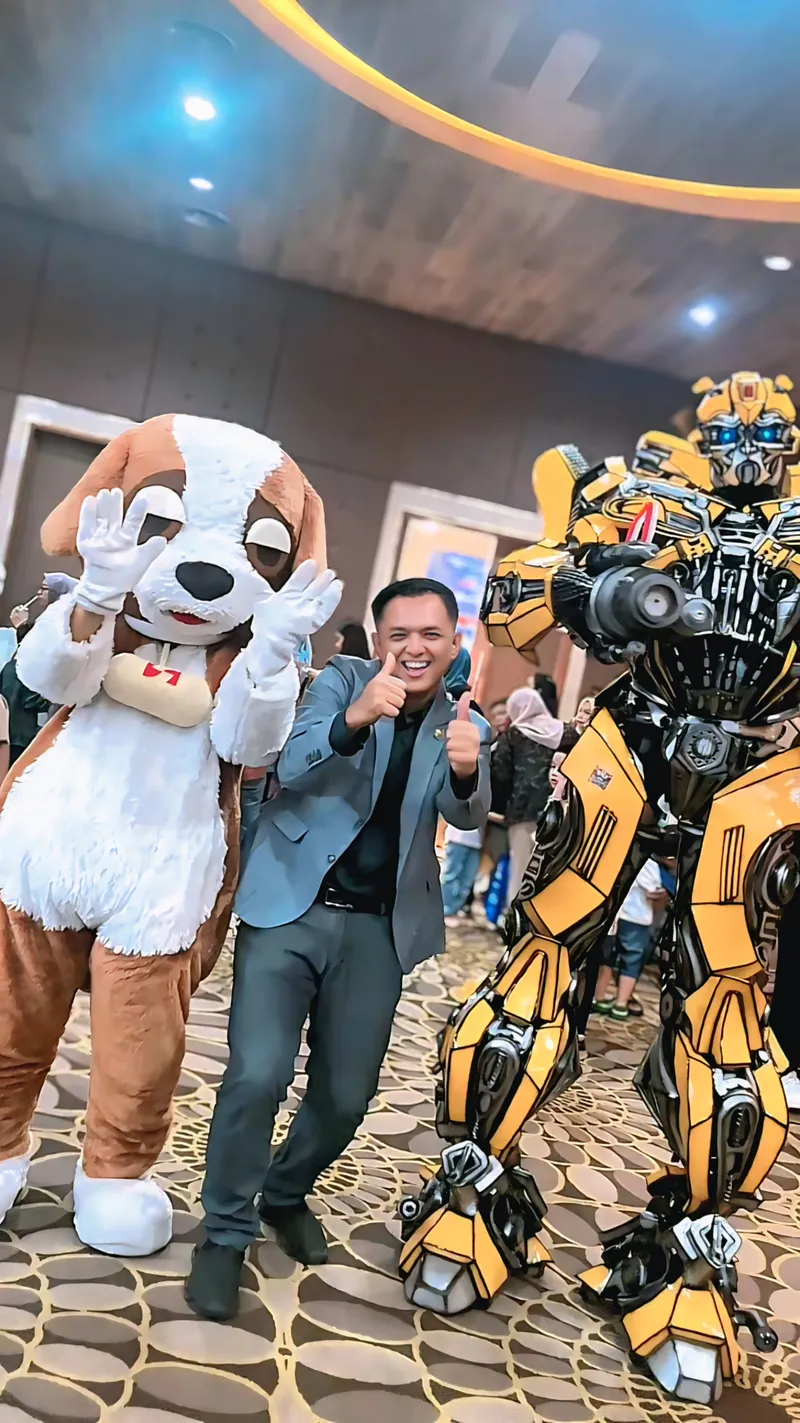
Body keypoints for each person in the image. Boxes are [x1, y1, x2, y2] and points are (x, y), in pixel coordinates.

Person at [186, 575, 491, 1321]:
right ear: (380, 638)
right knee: (257, 1074)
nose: (414, 648)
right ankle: (224, 1233)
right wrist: (355, 718)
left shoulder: (461, 716)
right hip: (291, 905)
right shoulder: (339, 682)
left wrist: (467, 767)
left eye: (431, 635)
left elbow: (467, 814)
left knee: (346, 1096)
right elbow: (287, 766)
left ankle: (285, 1192)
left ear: (453, 643)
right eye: (400, 634)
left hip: (379, 928)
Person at [491, 686, 577, 905]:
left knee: (521, 871)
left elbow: (500, 774)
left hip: (523, 812)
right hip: (561, 812)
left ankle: (515, 920)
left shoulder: (514, 734)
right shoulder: (567, 733)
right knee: (549, 872)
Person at [2, 574, 78, 761]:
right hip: (14, 696)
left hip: (27, 703)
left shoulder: (60, 621)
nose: (38, 593)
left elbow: (39, 653)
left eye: (44, 589)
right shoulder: (47, 618)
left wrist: (21, 626)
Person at [592, 858, 669, 1021]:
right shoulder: (648, 863)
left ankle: (598, 997)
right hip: (636, 916)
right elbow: (651, 891)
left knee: (607, 957)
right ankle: (621, 1004)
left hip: (616, 913)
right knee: (631, 961)